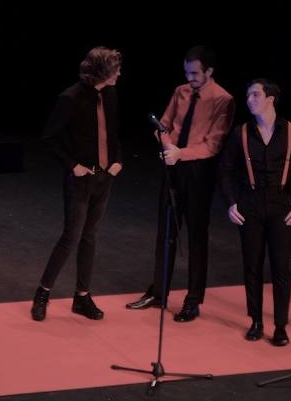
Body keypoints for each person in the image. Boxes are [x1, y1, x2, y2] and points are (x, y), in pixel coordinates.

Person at [127, 45, 235, 322]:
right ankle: (158, 291)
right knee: (166, 231)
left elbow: (213, 144)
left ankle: (193, 299)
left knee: (197, 236)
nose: (191, 78)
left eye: (195, 73)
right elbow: (163, 125)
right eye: (187, 72)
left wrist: (180, 153)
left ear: (209, 71)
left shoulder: (223, 99)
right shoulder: (181, 91)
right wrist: (167, 146)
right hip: (172, 166)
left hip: (198, 171)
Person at [32, 47, 123, 322]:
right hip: (80, 179)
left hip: (104, 177)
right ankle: (42, 293)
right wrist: (73, 166)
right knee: (71, 236)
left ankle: (82, 297)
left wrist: (118, 160)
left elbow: (114, 132)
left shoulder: (110, 94)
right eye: (115, 69)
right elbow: (49, 138)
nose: (119, 73)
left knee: (90, 236)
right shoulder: (70, 98)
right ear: (102, 72)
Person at [218, 79, 291, 346]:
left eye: (255, 95)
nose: (249, 100)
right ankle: (256, 321)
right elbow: (225, 169)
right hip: (251, 203)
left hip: (281, 204)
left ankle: (280, 326)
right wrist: (231, 203)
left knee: (281, 268)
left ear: (271, 99)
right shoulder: (241, 133)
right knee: (252, 266)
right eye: (247, 95)